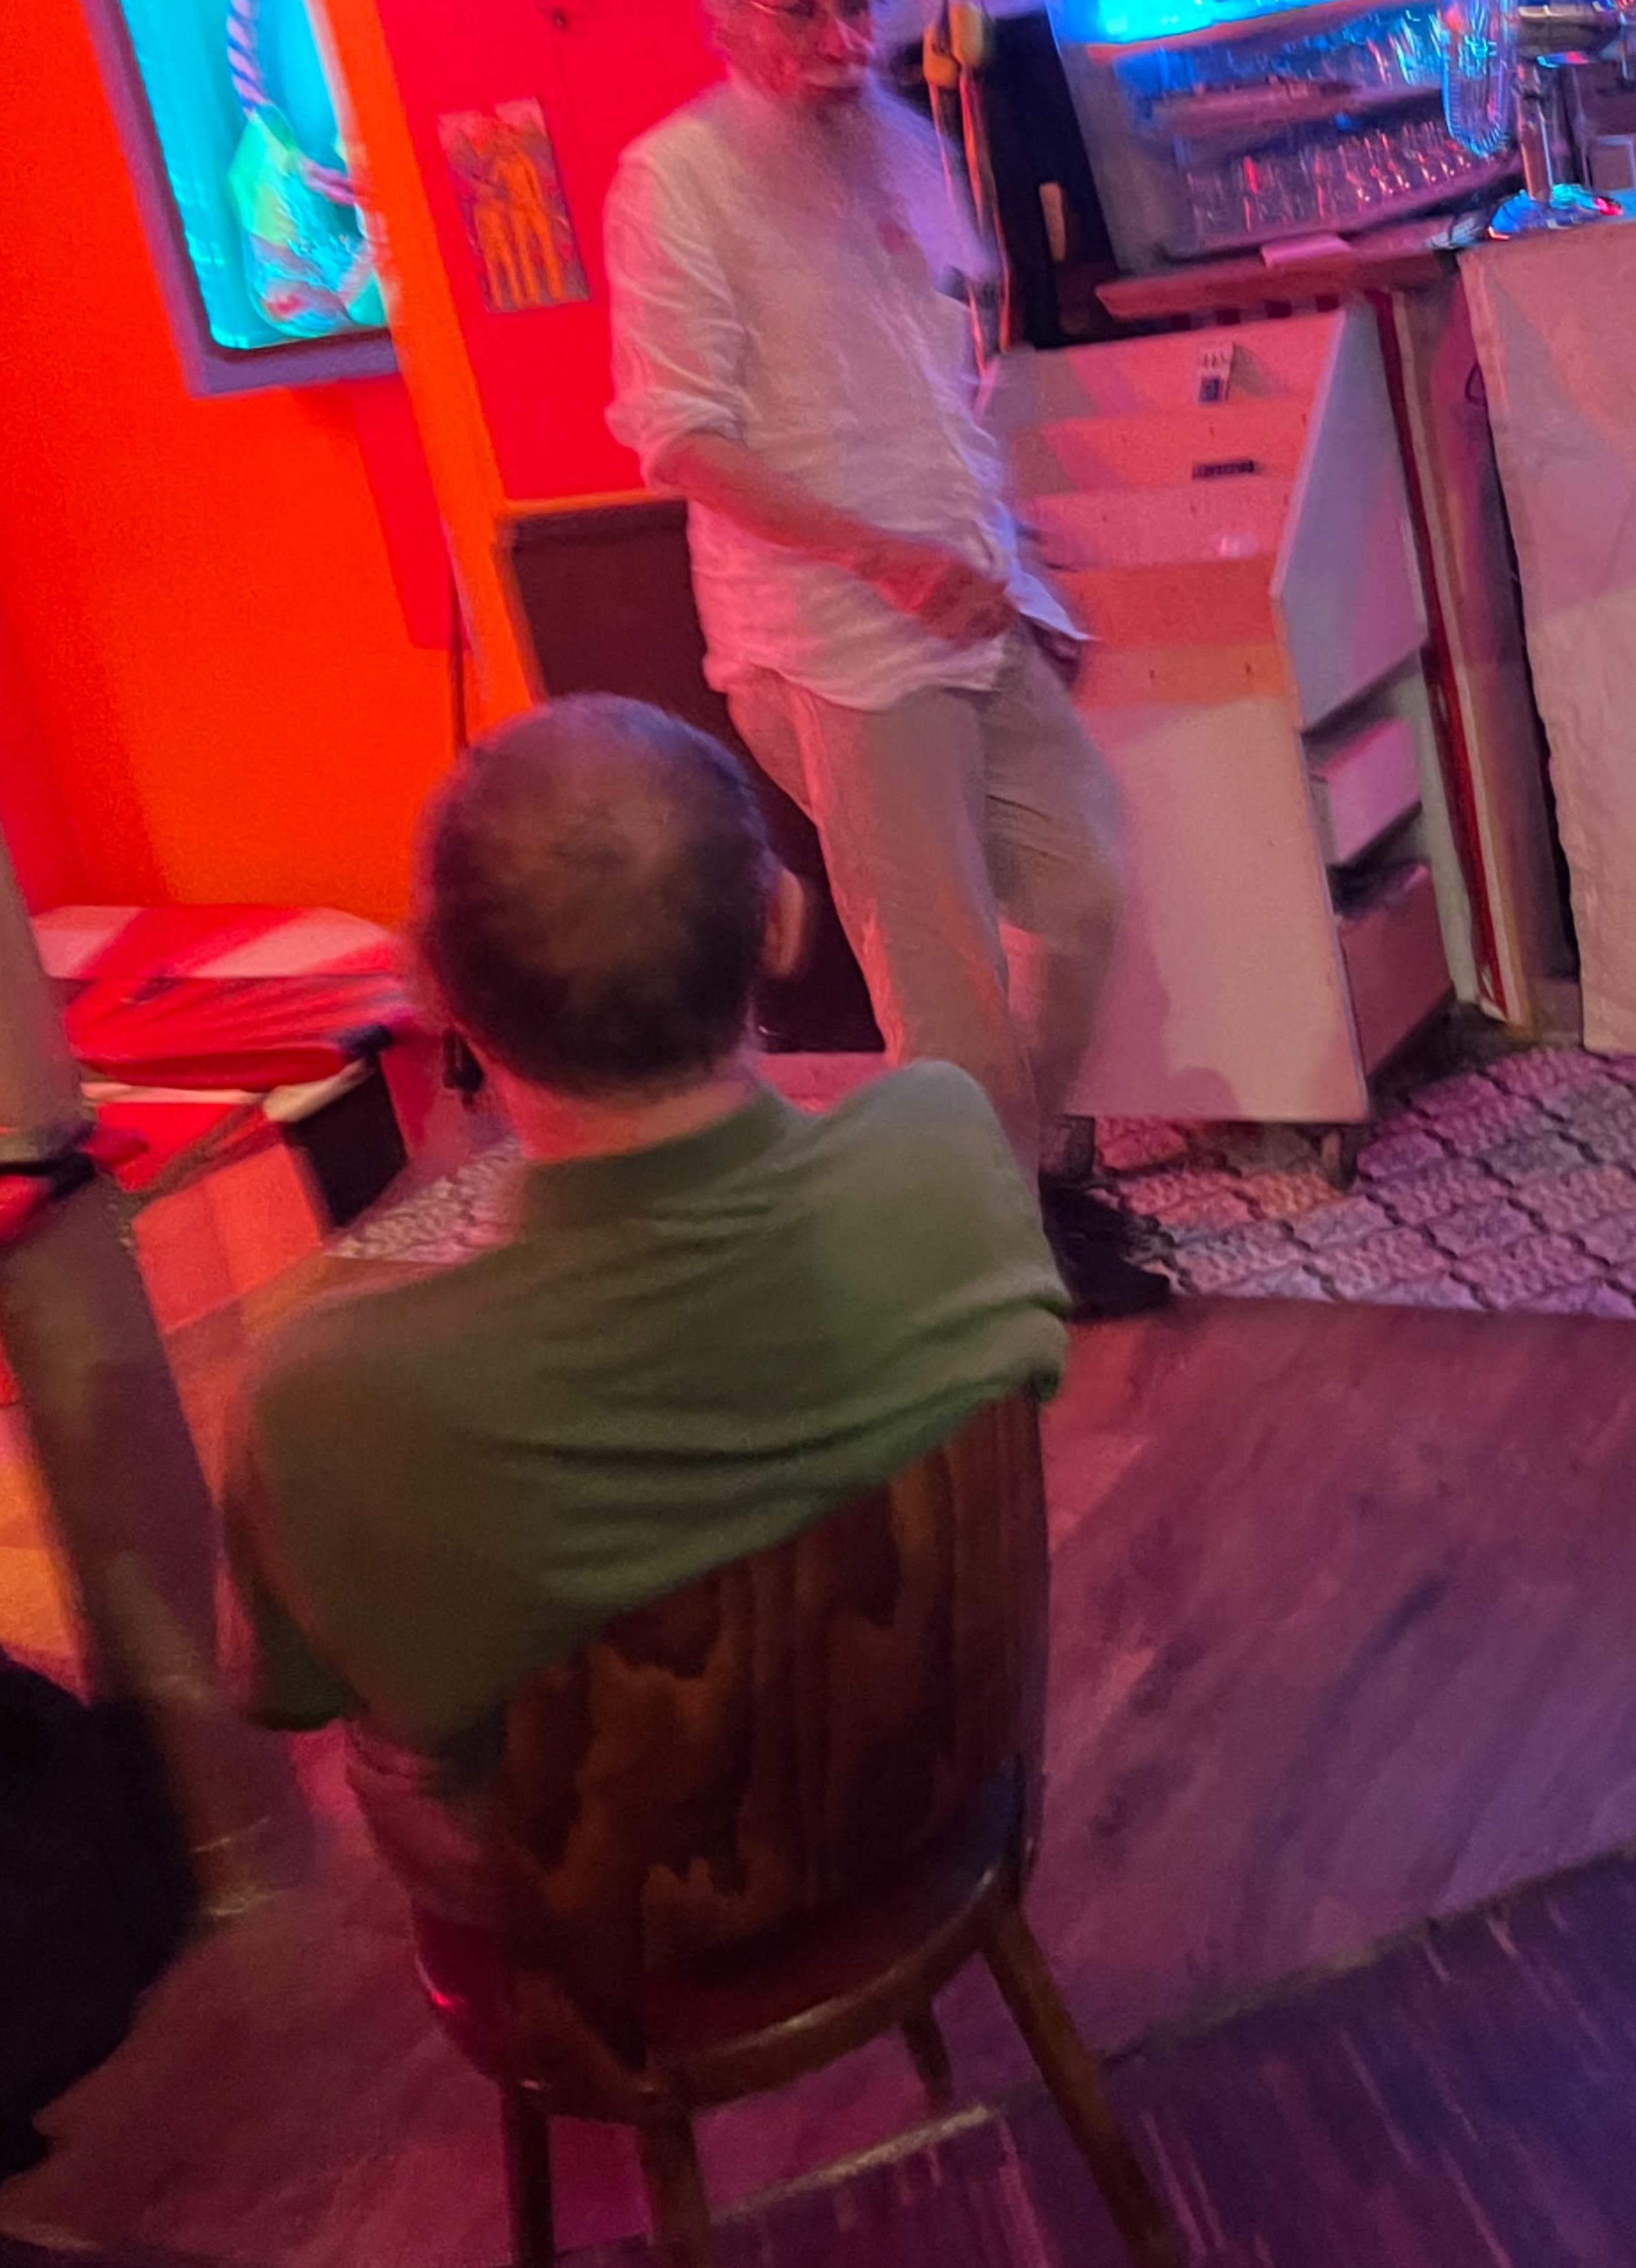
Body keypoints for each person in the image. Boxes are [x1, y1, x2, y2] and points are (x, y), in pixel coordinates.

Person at [224, 697, 1069, 1844]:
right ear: (781, 920)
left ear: (426, 984)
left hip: (602, 1932)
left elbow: (283, 1690)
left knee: (388, 1758)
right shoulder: (945, 1144)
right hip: (942, 1808)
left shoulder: (320, 1394)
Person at [603, 0, 1166, 1316]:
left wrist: (1014, 573)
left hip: (968, 614)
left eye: (857, 7)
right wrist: (880, 557)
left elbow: (928, 409)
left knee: (1085, 889)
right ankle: (994, 1253)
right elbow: (676, 439)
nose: (843, 41)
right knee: (945, 986)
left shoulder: (897, 153)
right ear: (727, 22)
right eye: (803, 11)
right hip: (836, 643)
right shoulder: (674, 181)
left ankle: (1010, 1185)